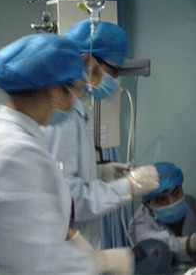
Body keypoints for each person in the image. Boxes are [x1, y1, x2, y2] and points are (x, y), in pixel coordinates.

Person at [0, 33, 131, 273]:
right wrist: (101, 262)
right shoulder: (15, 152)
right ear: (57, 91)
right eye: (74, 90)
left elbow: (21, 218)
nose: (75, 99)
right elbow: (36, 261)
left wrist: (101, 172)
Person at [42, 18, 159, 249]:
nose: (114, 80)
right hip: (61, 250)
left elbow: (64, 173)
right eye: (113, 71)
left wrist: (100, 172)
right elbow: (68, 198)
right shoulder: (61, 115)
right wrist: (127, 187)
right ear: (87, 61)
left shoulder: (74, 107)